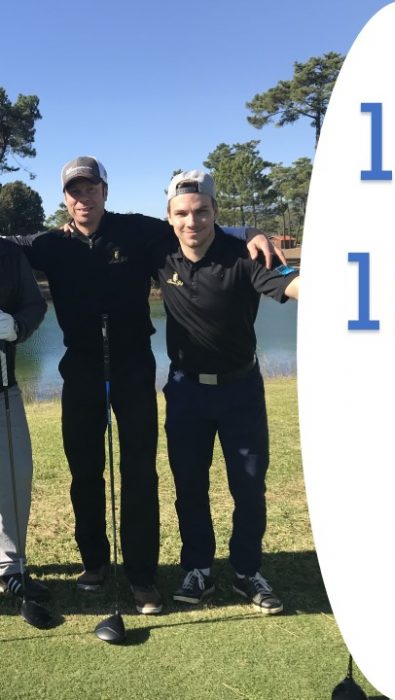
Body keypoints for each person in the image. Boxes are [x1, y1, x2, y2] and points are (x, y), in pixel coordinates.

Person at [5, 156, 280, 615]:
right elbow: (7, 246)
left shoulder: (137, 230)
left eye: (91, 189)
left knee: (139, 473)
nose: (83, 198)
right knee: (84, 471)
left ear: (105, 191)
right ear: (66, 199)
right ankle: (95, 563)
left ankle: (141, 575)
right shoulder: (50, 244)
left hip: (133, 367)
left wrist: (251, 231)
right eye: (75, 191)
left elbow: (193, 223)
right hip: (82, 369)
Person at [158, 170, 299, 615]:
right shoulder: (159, 253)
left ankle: (246, 571)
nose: (192, 221)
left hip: (241, 391)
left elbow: (292, 283)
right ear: (169, 217)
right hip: (186, 392)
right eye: (182, 213)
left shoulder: (246, 254)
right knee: (189, 486)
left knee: (249, 487)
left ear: (215, 212)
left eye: (201, 211)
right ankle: (198, 569)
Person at [0, 240, 48, 602]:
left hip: (4, 386)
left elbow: (34, 304)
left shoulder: (9, 254)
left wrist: (16, 326)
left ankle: (11, 567)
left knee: (15, 474)